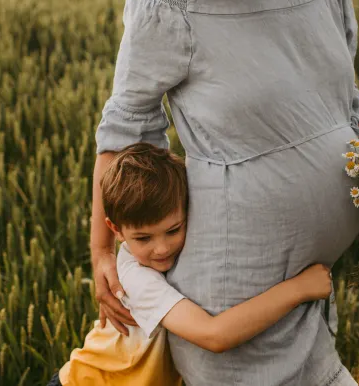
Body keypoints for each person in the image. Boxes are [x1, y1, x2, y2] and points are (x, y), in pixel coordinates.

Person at [90, 0, 359, 385]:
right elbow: (123, 135)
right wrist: (101, 252)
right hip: (230, 292)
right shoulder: (171, 9)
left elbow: (342, 103)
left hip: (308, 288)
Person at [50, 143, 336, 385]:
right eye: (143, 238)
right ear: (115, 230)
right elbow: (214, 335)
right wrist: (298, 289)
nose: (161, 248)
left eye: (173, 230)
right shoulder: (137, 279)